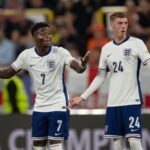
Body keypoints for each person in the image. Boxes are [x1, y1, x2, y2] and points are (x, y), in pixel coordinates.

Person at [0, 22, 90, 150]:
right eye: (43, 34)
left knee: (55, 144)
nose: (48, 36)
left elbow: (78, 68)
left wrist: (83, 65)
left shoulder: (60, 52)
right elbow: (8, 73)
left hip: (58, 104)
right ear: (34, 37)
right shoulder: (26, 56)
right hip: (40, 106)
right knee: (38, 145)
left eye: (49, 33)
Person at [68, 12, 150, 150]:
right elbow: (100, 76)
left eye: (125, 23)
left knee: (134, 141)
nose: (123, 26)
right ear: (111, 25)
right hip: (113, 103)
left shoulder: (137, 44)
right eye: (119, 23)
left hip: (131, 100)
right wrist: (82, 97)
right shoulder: (106, 49)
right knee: (118, 144)